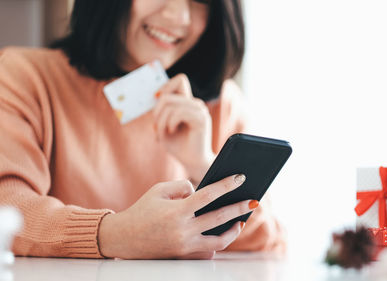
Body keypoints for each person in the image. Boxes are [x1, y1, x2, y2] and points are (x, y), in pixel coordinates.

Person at [0, 0, 285, 259]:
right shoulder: (25, 77)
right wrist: (116, 234)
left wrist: (204, 165)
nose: (179, 16)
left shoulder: (220, 103)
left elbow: (268, 243)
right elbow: (7, 210)